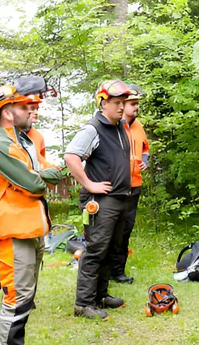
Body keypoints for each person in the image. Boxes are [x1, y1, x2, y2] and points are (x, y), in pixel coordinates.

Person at [0, 79, 61, 345]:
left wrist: (37, 176)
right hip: (13, 231)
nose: (31, 110)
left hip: (31, 229)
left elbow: (52, 174)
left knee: (24, 298)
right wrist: (37, 177)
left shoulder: (19, 141)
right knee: (17, 298)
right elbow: (36, 184)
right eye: (24, 105)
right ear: (7, 111)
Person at [65, 80, 136, 320]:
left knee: (111, 250)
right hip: (100, 200)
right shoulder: (92, 128)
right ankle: (83, 304)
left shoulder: (119, 127)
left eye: (123, 103)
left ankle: (101, 296)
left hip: (120, 199)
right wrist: (88, 184)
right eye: (117, 103)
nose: (121, 107)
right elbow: (72, 156)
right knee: (95, 250)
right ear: (103, 103)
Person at [109, 84, 149, 284]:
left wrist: (145, 161)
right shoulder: (114, 127)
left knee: (126, 229)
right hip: (116, 187)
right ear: (122, 105)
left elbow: (145, 149)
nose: (136, 108)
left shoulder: (139, 126)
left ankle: (118, 272)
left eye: (137, 104)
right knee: (112, 230)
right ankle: (105, 270)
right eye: (132, 104)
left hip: (135, 185)